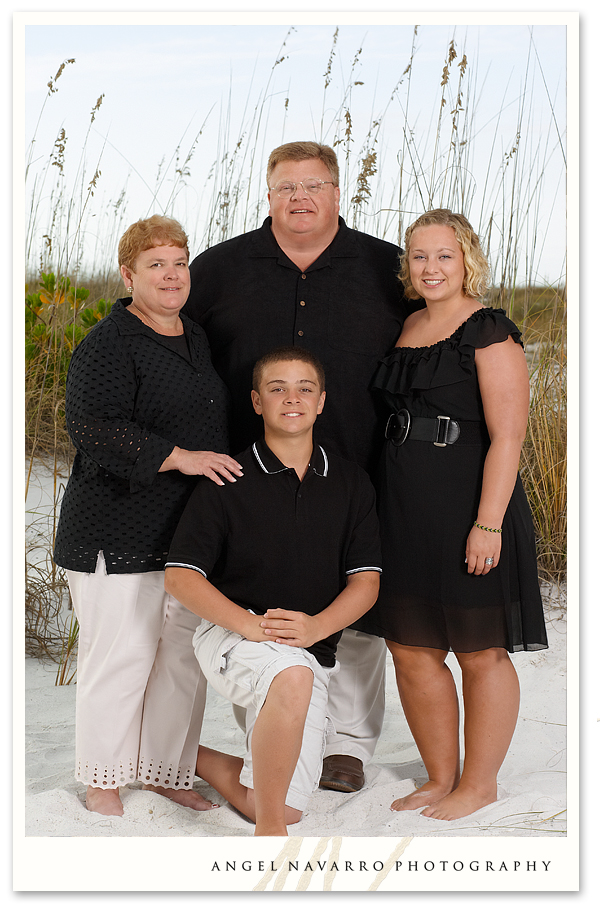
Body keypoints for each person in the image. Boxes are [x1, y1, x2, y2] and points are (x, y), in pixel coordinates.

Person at [183, 141, 415, 792]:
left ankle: (347, 746)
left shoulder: (385, 267)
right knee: (258, 601)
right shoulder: (221, 269)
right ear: (268, 194)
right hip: (247, 473)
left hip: (361, 464)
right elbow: (185, 357)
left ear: (338, 193)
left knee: (358, 611)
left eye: (314, 185)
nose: (300, 198)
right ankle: (269, 732)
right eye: (286, 187)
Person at [355, 209, 548, 821]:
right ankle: (441, 775)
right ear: (406, 266)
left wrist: (488, 523)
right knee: (410, 647)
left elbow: (509, 436)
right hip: (402, 503)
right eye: (419, 256)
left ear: (467, 260)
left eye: (444, 255)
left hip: (468, 500)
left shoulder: (489, 330)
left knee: (479, 648)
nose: (431, 267)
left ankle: (480, 783)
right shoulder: (408, 324)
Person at [53, 215, 244, 817]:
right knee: (122, 656)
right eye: (155, 264)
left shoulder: (192, 334)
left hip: (183, 530)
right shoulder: (108, 343)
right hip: (114, 525)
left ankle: (165, 771)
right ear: (127, 273)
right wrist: (179, 457)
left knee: (180, 657)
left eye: (179, 263)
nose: (171, 275)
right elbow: (91, 427)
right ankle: (104, 781)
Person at [164, 348, 381, 835]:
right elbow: (180, 576)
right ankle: (269, 838)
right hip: (234, 637)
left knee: (286, 805)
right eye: (277, 388)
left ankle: (182, 755)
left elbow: (366, 583)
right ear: (257, 402)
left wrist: (316, 628)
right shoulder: (227, 478)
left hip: (310, 646)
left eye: (305, 388)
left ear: (321, 402)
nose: (292, 398)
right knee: (290, 676)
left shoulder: (351, 483)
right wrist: (251, 625)